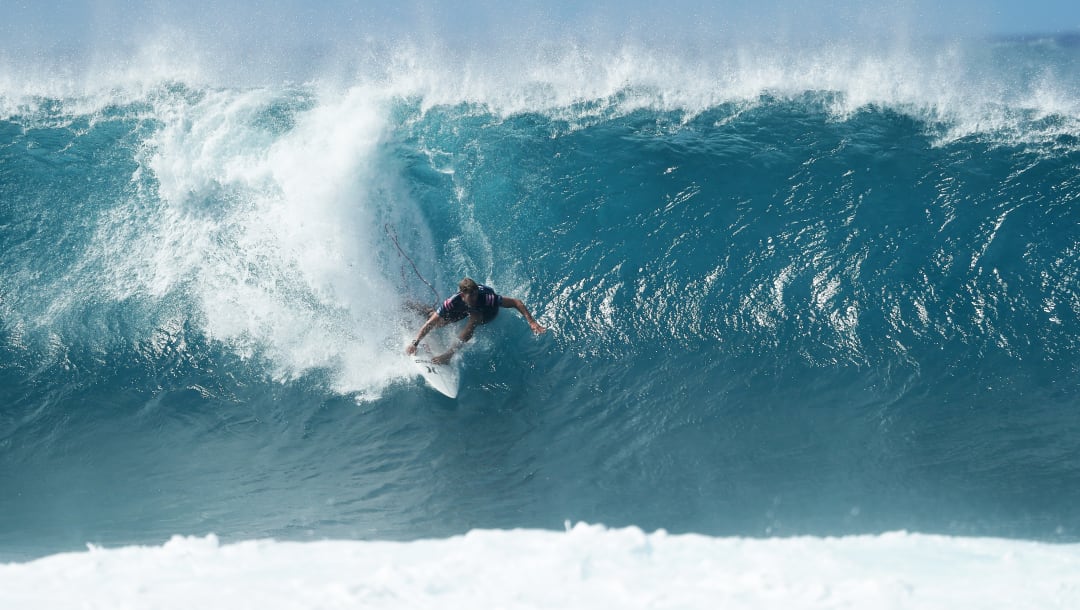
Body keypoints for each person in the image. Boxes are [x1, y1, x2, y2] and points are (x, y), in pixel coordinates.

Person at [406, 278, 547, 364]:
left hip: (487, 312)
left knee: (475, 318)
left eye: (475, 295)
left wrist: (532, 322)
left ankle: (448, 356)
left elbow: (517, 302)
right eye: (471, 297)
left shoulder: (487, 298)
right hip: (465, 310)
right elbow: (430, 323)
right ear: (462, 295)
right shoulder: (452, 301)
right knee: (439, 322)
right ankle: (415, 306)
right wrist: (415, 342)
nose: (474, 299)